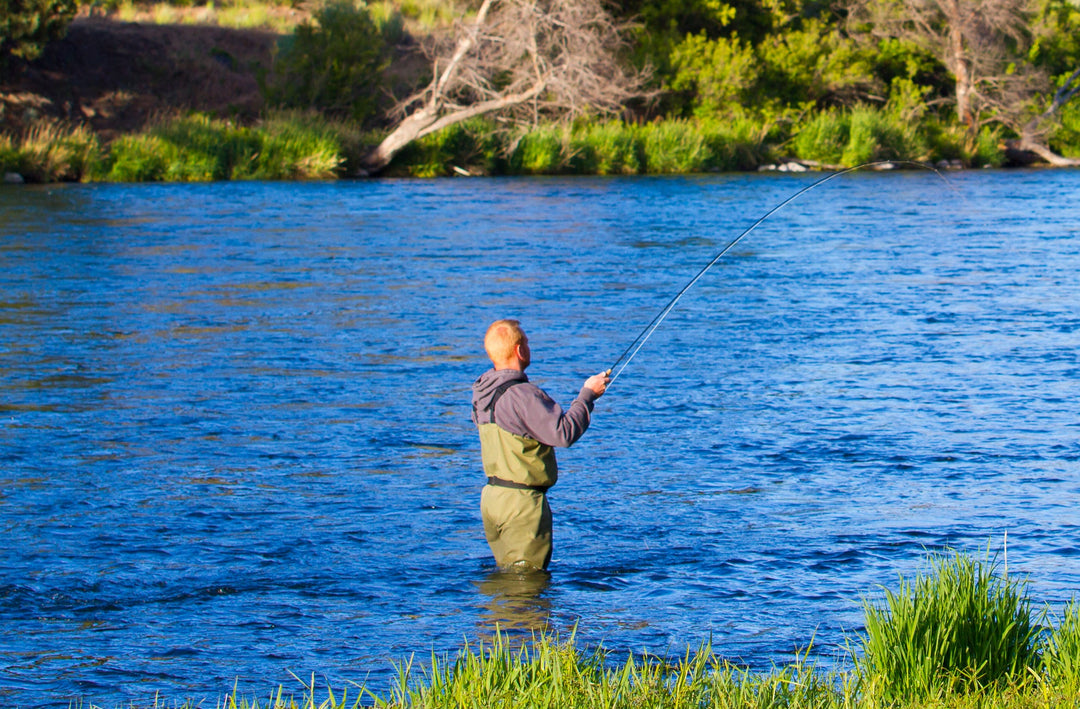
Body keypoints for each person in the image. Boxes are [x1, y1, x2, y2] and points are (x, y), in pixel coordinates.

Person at [471, 319, 609, 571]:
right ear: (520, 350)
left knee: (505, 583)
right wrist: (587, 396)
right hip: (521, 506)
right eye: (527, 342)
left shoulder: (482, 392)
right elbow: (564, 433)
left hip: (492, 499)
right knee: (527, 586)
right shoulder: (523, 395)